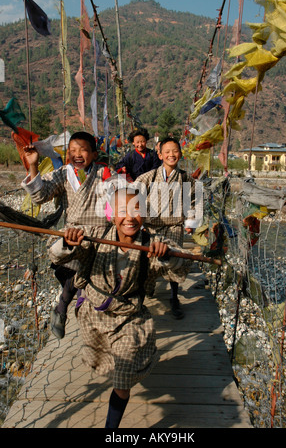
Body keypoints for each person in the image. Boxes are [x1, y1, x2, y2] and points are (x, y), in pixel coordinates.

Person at [48, 186, 191, 428]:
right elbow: (56, 256)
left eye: (137, 210)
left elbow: (182, 267)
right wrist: (67, 242)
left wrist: (168, 256)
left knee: (122, 378)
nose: (129, 217)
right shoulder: (95, 236)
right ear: (112, 215)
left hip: (129, 317)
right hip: (94, 314)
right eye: (122, 211)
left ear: (144, 216)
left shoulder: (153, 244)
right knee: (100, 362)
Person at [21, 131, 111, 339]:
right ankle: (63, 310)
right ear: (68, 154)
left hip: (100, 235)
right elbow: (39, 196)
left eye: (83, 150)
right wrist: (33, 164)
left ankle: (72, 314)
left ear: (94, 154)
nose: (77, 154)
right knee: (73, 269)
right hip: (73, 234)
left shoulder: (104, 173)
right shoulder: (63, 173)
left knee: (97, 282)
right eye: (72, 151)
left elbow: (118, 200)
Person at [134, 137, 203, 319]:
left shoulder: (187, 179)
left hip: (174, 228)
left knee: (173, 262)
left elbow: (195, 201)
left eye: (175, 151)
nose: (171, 155)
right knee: (147, 264)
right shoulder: (147, 178)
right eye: (167, 152)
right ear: (160, 155)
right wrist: (136, 223)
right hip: (151, 230)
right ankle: (142, 294)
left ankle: (174, 297)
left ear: (180, 154)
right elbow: (134, 198)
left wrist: (190, 222)